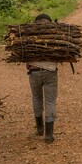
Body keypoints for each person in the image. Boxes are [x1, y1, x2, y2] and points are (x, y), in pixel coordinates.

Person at [26, 13, 59, 144]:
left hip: (34, 72)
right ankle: (49, 135)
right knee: (50, 101)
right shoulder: (55, 35)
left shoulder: (29, 36)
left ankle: (40, 128)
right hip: (50, 72)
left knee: (36, 98)